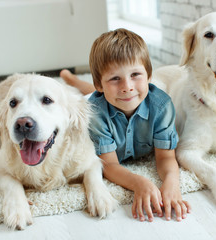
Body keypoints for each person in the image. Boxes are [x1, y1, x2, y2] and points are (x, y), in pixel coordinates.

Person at [60, 28, 191, 222]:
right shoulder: (94, 113)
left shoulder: (162, 106)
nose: (127, 86)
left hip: (108, 98)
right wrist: (139, 183)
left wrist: (172, 184)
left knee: (118, 96)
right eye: (115, 78)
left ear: (148, 76)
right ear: (100, 83)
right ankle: (71, 80)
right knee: (87, 98)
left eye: (136, 74)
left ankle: (73, 78)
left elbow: (165, 158)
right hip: (96, 101)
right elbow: (110, 164)